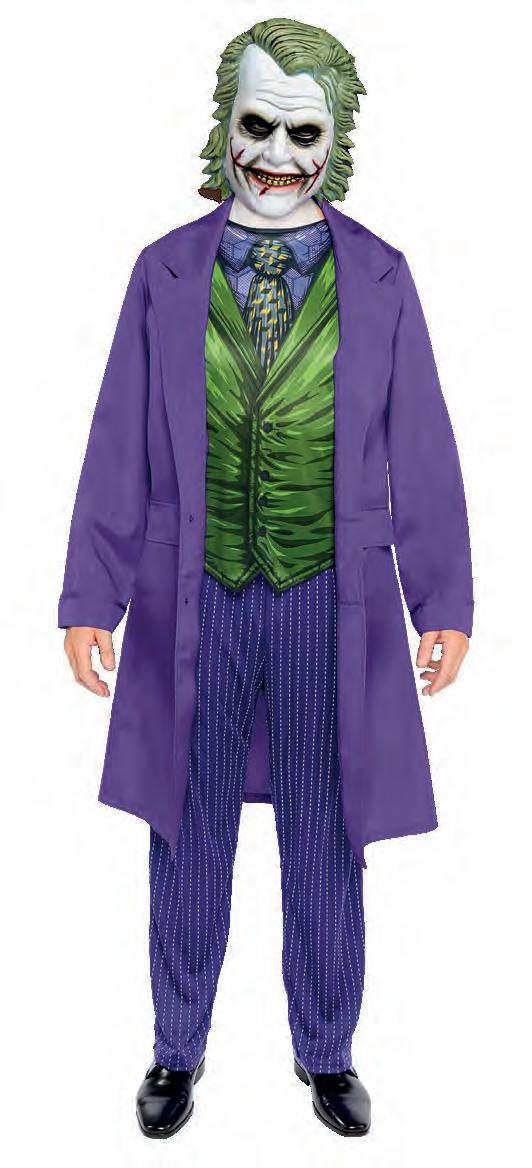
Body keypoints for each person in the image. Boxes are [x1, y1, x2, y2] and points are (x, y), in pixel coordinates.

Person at [58, 17, 473, 1139]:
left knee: (327, 827)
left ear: (333, 142)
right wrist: (93, 595)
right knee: (184, 827)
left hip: (329, 600)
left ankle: (327, 1051)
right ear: (223, 127)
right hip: (192, 592)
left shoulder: (380, 276)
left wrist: (441, 600)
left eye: (303, 133)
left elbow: (421, 444)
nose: (277, 154)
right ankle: (176, 1046)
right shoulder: (163, 272)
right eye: (258, 125)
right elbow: (119, 439)